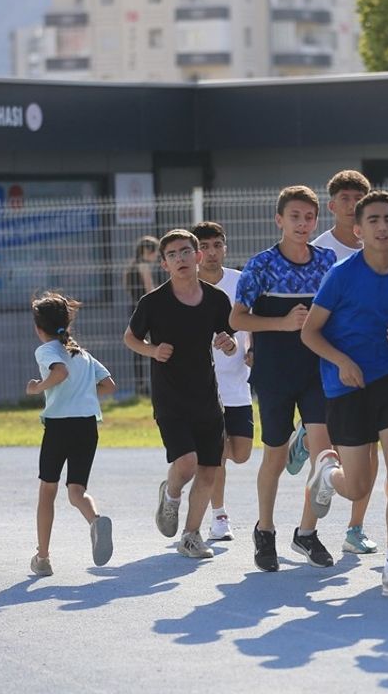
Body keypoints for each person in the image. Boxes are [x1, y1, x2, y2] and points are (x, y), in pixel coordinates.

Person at [300, 191, 388, 599]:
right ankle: (325, 471)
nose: (382, 226)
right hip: (347, 386)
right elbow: (310, 332)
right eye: (372, 220)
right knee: (355, 487)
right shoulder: (340, 275)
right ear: (357, 230)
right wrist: (341, 361)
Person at [231, 186, 338, 572]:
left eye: (309, 217)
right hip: (274, 372)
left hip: (317, 368)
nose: (302, 223)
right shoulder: (260, 265)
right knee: (275, 455)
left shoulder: (327, 261)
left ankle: (306, 533)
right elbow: (237, 318)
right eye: (294, 216)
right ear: (279, 220)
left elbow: (337, 309)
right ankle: (266, 530)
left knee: (324, 452)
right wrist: (281, 322)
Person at [123, 229, 238, 560]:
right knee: (186, 464)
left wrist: (228, 344)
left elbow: (228, 338)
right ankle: (171, 495)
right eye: (172, 254)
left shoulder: (216, 299)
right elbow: (130, 338)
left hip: (206, 397)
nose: (181, 258)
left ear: (198, 256)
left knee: (208, 470)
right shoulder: (153, 302)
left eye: (186, 251)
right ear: (164, 264)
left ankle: (191, 535)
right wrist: (153, 350)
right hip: (170, 397)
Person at [307, 169, 381, 557]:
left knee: (369, 453)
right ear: (332, 205)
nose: (352, 205)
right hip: (329, 363)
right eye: (346, 198)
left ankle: (355, 527)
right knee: (335, 444)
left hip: (375, 366)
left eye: (359, 198)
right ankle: (306, 440)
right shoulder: (320, 252)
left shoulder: (380, 245)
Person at [26, 293, 118, 576]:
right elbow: (109, 385)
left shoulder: (46, 350)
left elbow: (60, 372)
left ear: (39, 328)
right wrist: (85, 395)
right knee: (77, 492)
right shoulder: (83, 354)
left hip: (59, 426)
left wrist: (38, 387)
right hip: (87, 426)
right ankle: (95, 520)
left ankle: (43, 557)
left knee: (47, 491)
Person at [192, 221, 253, 542]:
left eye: (217, 245)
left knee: (241, 452)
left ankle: (202, 457)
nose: (211, 253)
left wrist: (251, 347)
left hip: (238, 384)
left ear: (224, 248)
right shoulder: (185, 287)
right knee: (215, 452)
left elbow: (252, 321)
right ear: (195, 252)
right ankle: (219, 515)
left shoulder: (241, 282)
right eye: (205, 247)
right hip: (201, 387)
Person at [124, 236, 161, 395]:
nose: (157, 256)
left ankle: (140, 384)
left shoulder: (132, 266)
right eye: (155, 252)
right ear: (146, 251)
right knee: (153, 344)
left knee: (137, 346)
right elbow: (150, 290)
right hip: (145, 310)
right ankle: (149, 385)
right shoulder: (144, 266)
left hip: (134, 308)